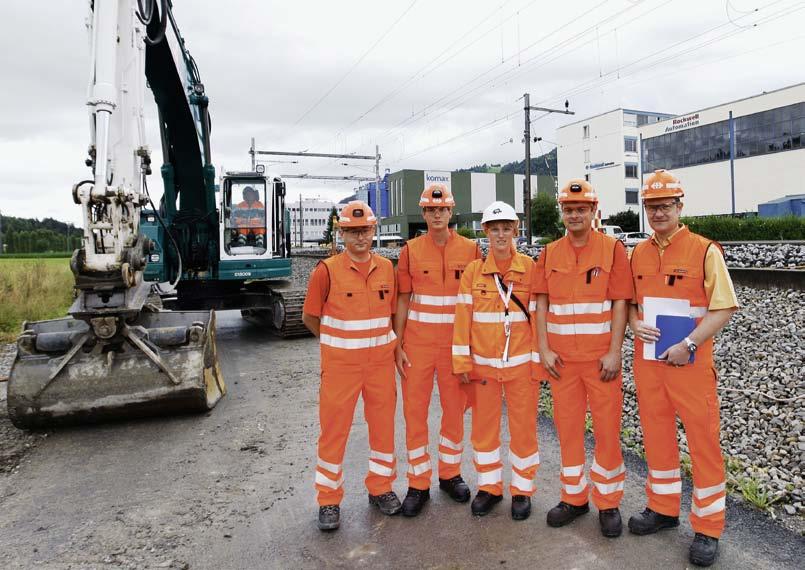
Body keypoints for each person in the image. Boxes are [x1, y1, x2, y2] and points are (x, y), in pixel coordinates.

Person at [627, 169, 738, 567]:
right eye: (651, 206)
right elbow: (632, 303)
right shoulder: (637, 253)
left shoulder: (705, 251)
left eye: (665, 205)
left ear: (679, 206)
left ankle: (708, 528)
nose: (658, 212)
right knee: (656, 438)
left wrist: (688, 342)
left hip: (689, 364)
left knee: (703, 444)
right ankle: (663, 509)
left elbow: (724, 306)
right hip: (650, 364)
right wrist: (633, 322)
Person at [532, 179, 633, 537]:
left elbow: (621, 301)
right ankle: (573, 498)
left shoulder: (613, 250)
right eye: (568, 209)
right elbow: (541, 303)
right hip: (562, 363)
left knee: (607, 432)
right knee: (568, 431)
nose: (574, 215)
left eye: (581, 209)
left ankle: (608, 502)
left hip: (599, 361)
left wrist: (614, 351)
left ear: (594, 211)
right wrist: (543, 348)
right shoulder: (548, 253)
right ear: (562, 213)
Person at [301, 200, 401, 531]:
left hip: (380, 366)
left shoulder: (387, 268)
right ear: (342, 233)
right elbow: (310, 317)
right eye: (352, 232)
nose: (359, 237)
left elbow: (391, 314)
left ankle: (381, 488)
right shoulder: (326, 271)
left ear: (374, 231)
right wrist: (336, 343)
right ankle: (328, 500)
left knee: (384, 427)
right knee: (334, 432)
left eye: (365, 231)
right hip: (341, 367)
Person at [393, 184, 482, 517]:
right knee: (414, 413)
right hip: (417, 345)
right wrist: (398, 343)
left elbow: (479, 300)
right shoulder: (410, 251)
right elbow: (402, 299)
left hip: (455, 347)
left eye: (441, 209)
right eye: (430, 210)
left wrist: (473, 346)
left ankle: (449, 474)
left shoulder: (472, 250)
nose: (436, 215)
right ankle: (418, 483)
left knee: (454, 411)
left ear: (450, 211)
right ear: (424, 214)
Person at [452, 201, 540, 520]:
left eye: (506, 228)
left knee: (523, 429)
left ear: (515, 230)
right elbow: (462, 319)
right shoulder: (474, 273)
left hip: (521, 367)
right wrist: (461, 363)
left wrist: (539, 362)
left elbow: (540, 318)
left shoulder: (530, 268)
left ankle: (521, 490)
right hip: (484, 369)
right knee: (484, 429)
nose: (501, 234)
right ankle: (489, 487)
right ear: (485, 231)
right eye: (494, 228)